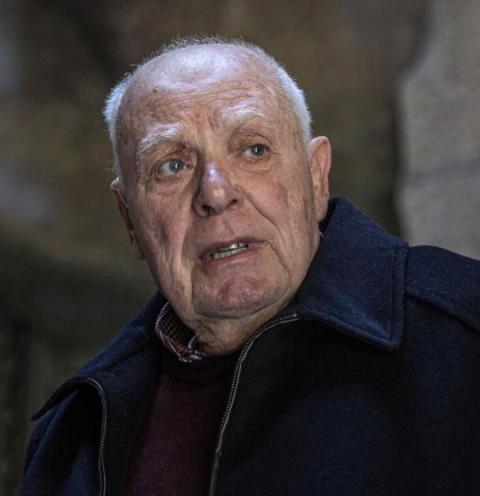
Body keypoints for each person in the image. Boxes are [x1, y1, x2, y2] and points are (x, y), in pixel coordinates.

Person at [20, 38, 480, 496]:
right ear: (130, 219)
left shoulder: (465, 331)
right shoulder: (73, 432)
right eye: (172, 166)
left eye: (253, 150)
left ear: (316, 176)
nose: (215, 193)